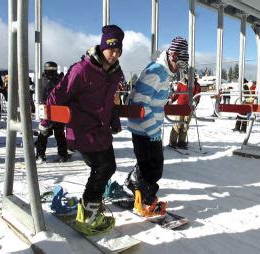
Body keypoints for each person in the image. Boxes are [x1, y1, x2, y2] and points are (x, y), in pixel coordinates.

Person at [41, 25, 125, 233]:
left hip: (102, 131)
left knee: (109, 167)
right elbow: (58, 95)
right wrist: (45, 123)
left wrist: (114, 120)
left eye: (118, 50)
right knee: (102, 168)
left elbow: (111, 100)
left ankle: (90, 204)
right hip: (82, 129)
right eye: (110, 49)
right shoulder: (82, 69)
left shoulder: (115, 73)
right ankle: (88, 214)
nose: (114, 55)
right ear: (102, 47)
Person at [125, 36, 189, 217]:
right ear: (174, 56)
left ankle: (136, 184)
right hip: (146, 130)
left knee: (148, 164)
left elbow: (150, 100)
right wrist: (153, 131)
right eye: (181, 65)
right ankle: (146, 201)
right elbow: (140, 103)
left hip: (147, 128)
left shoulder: (161, 71)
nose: (180, 70)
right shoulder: (157, 71)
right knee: (154, 168)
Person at [35, 61, 69, 163]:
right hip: (56, 110)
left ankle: (41, 155)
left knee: (44, 133)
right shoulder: (59, 79)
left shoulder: (43, 80)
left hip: (48, 110)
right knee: (58, 133)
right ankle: (62, 154)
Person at [168, 74, 201, 149]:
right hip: (180, 106)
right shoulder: (181, 84)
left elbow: (198, 95)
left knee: (185, 125)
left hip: (189, 107)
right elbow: (177, 94)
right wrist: (171, 100)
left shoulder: (196, 85)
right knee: (178, 124)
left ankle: (181, 141)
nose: (188, 77)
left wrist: (195, 102)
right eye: (186, 75)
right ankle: (172, 141)